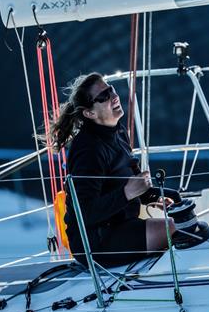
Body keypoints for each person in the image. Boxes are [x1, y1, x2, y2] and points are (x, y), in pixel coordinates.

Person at [50, 73, 174, 267]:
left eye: (111, 89)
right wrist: (126, 193)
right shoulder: (88, 149)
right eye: (104, 96)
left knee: (184, 216)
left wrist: (155, 198)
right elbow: (85, 212)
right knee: (177, 230)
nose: (114, 96)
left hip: (120, 225)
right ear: (89, 113)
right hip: (94, 241)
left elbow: (131, 183)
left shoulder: (118, 131)